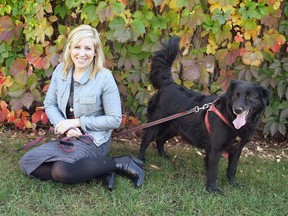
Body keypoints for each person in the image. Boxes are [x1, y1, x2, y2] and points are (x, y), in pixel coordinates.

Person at [19, 24, 144, 190]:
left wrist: (76, 122)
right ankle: (100, 170)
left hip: (94, 139)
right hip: (69, 137)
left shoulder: (104, 77)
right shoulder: (60, 71)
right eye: (77, 47)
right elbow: (50, 104)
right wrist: (64, 127)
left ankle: (120, 162)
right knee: (27, 163)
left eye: (88, 48)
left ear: (95, 52)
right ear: (70, 48)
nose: (82, 53)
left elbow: (114, 120)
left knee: (61, 171)